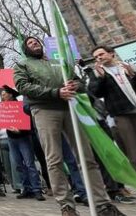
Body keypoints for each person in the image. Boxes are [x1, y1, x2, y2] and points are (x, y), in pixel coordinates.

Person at [13, 36, 124, 216]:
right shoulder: (22, 65)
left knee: (86, 157)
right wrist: (55, 92)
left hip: (71, 109)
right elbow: (23, 86)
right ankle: (67, 206)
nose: (34, 44)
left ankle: (102, 204)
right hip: (44, 111)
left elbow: (79, 82)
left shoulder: (59, 62)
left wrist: (75, 85)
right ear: (25, 49)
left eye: (36, 42)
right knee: (54, 159)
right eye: (30, 43)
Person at [88, 45, 136, 210]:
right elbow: (95, 93)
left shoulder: (131, 67)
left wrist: (134, 75)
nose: (98, 58)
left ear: (111, 53)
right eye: (95, 57)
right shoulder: (97, 74)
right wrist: (100, 79)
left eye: (101, 54)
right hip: (123, 116)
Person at [0, 86, 45, 201]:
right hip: (12, 139)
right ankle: (26, 189)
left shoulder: (22, 106)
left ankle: (37, 190)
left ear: (10, 94)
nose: (2, 96)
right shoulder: (4, 108)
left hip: (24, 138)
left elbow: (29, 123)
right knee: (19, 165)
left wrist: (20, 130)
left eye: (4, 94)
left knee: (29, 164)